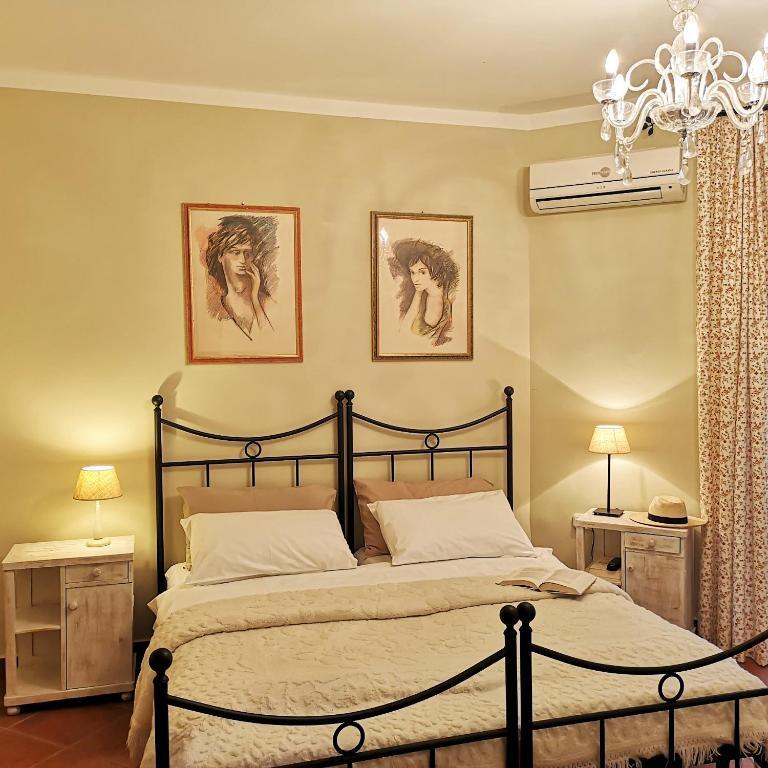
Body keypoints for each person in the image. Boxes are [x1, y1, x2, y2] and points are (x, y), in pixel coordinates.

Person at [204, 215, 278, 339]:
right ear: (220, 256)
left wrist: (254, 298)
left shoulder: (268, 303)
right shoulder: (214, 309)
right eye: (235, 252)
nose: (243, 260)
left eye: (248, 253)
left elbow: (272, 339)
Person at [388, 239, 459, 347]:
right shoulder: (420, 293)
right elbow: (403, 329)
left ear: (436, 271)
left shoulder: (450, 297)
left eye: (422, 272)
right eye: (412, 272)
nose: (415, 279)